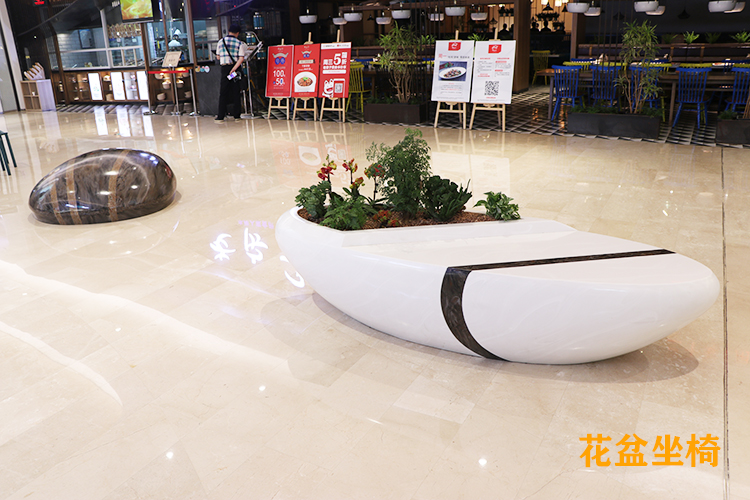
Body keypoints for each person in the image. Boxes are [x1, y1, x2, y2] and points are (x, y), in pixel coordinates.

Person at [215, 24, 247, 122]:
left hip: (225, 69)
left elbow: (218, 57)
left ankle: (221, 116)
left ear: (229, 31)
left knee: (223, 91)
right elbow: (241, 58)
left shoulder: (221, 41)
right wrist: (233, 69)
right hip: (234, 70)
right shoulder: (239, 43)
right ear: (237, 33)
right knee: (235, 90)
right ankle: (237, 115)